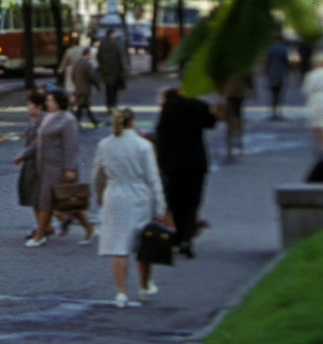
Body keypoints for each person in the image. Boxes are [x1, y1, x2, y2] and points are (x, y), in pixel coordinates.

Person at [92, 108, 169, 308]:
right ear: (132, 122)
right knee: (144, 244)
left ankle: (121, 293)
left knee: (118, 246)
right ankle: (144, 286)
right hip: (140, 195)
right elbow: (153, 178)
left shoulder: (105, 145)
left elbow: (97, 174)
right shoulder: (143, 145)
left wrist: (99, 194)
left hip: (115, 195)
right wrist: (160, 205)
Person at [154, 86, 218, 258]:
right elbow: (212, 123)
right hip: (195, 162)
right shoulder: (201, 106)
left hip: (173, 163)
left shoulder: (169, 107)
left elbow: (161, 133)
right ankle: (186, 240)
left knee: (174, 201)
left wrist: (160, 162)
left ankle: (176, 237)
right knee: (191, 203)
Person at [27, 89, 94, 247]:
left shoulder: (68, 120)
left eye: (50, 100)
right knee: (67, 202)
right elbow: (39, 140)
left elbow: (70, 146)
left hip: (59, 167)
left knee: (47, 202)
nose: (47, 103)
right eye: (47, 100)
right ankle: (89, 227)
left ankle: (39, 235)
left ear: (59, 102)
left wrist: (69, 168)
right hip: (46, 166)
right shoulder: (49, 117)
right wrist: (25, 153)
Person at [12, 89, 48, 242]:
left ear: (39, 106)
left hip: (39, 163)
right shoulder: (34, 120)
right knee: (35, 197)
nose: (28, 108)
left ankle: (43, 229)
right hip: (32, 163)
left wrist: (23, 154)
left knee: (39, 197)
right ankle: (43, 226)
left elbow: (38, 143)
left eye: (30, 105)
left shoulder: (43, 120)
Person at [64, 46, 101, 127]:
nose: (90, 57)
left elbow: (73, 76)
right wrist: (97, 86)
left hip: (78, 88)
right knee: (81, 106)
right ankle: (76, 121)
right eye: (90, 55)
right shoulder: (87, 64)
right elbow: (93, 76)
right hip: (85, 88)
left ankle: (94, 121)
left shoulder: (76, 64)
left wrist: (76, 84)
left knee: (86, 106)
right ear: (87, 54)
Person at [221, 70, 251, 159]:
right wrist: (250, 88)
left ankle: (230, 137)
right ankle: (238, 135)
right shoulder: (242, 64)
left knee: (230, 115)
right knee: (238, 115)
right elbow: (248, 77)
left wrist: (220, 91)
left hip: (229, 91)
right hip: (239, 91)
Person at [97, 28, 128, 111]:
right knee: (114, 88)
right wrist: (121, 69)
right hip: (115, 69)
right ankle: (113, 104)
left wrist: (102, 65)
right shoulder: (115, 44)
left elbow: (98, 56)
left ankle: (108, 104)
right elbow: (119, 57)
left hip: (106, 70)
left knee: (108, 88)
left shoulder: (102, 44)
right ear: (111, 34)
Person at [264, 35, 291, 119]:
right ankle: (278, 111)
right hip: (281, 73)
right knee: (279, 94)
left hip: (272, 72)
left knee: (272, 93)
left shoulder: (270, 48)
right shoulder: (284, 48)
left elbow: (267, 61)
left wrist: (267, 71)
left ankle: (272, 111)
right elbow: (286, 62)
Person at [305, 52, 323, 156]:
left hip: (316, 100)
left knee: (316, 124)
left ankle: (319, 144)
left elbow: (307, 89)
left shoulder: (312, 74)